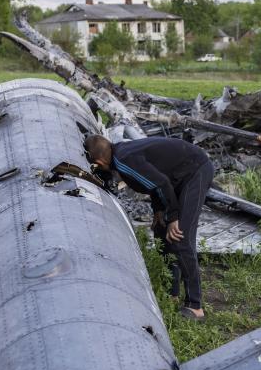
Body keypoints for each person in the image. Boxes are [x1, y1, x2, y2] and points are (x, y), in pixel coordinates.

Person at [85, 134, 214, 320]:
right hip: (177, 176)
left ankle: (195, 306)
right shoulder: (121, 152)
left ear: (98, 161)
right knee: (161, 231)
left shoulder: (123, 161)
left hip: (195, 170)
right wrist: (159, 212)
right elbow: (153, 182)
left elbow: (161, 183)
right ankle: (173, 292)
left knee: (180, 236)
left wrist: (173, 217)